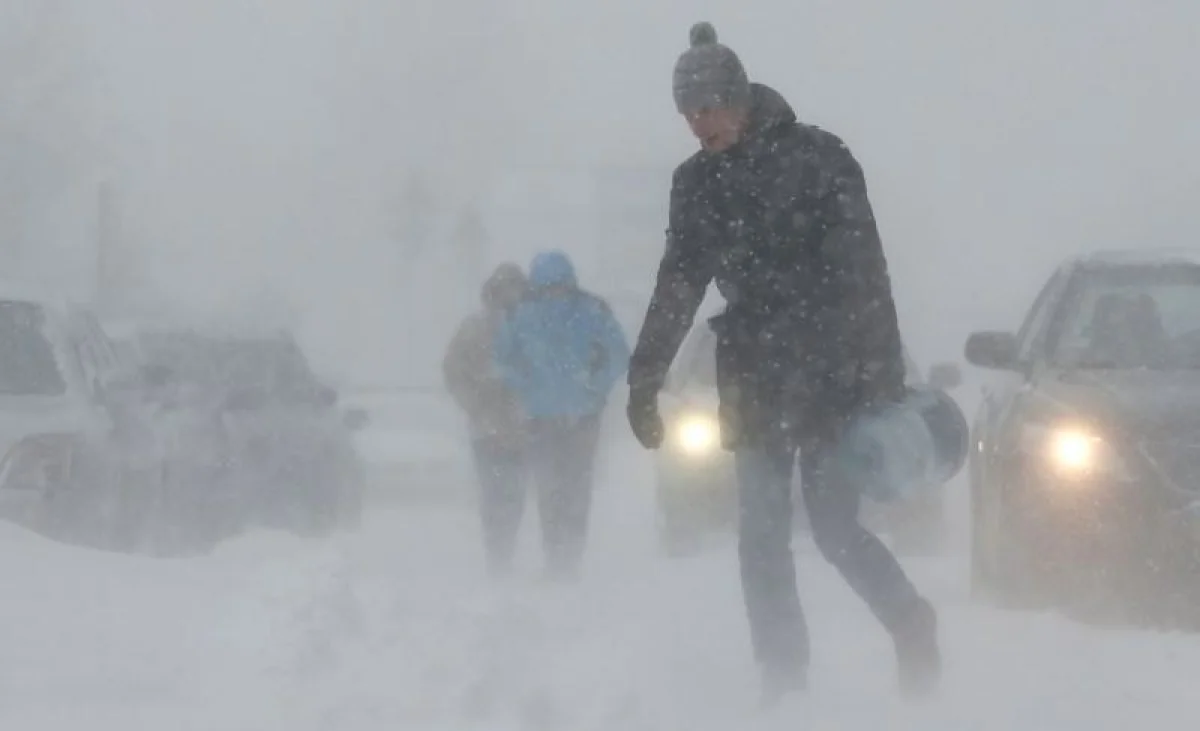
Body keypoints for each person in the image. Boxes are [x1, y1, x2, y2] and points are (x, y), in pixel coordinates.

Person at [625, 22, 940, 702]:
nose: (695, 124)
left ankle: (912, 621)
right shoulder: (697, 185)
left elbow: (866, 273)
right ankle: (783, 674)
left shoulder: (820, 158)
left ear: (737, 99)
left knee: (835, 528)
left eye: (705, 107)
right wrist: (645, 377)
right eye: (686, 112)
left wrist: (881, 376)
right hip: (755, 374)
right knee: (761, 534)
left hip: (833, 373)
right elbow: (678, 283)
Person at [493, 250, 630, 580]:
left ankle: (565, 557)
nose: (555, 293)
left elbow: (618, 353)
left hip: (565, 415)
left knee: (564, 489)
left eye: (559, 286)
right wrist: (593, 387)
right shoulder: (586, 311)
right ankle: (561, 557)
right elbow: (504, 359)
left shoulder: (531, 315)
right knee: (560, 488)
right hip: (561, 416)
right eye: (550, 286)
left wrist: (593, 386)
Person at [442, 262, 530, 577]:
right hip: (486, 427)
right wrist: (474, 401)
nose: (511, 294)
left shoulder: (531, 328)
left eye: (516, 287)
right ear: (493, 292)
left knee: (516, 494)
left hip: (521, 427)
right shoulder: (473, 328)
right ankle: (498, 556)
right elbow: (453, 370)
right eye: (505, 288)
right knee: (493, 494)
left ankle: (506, 550)